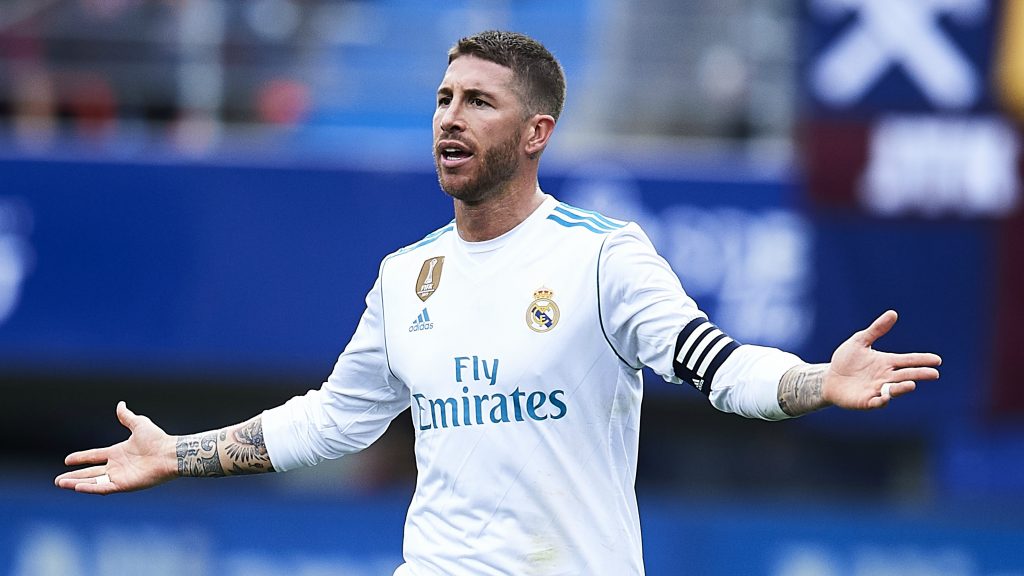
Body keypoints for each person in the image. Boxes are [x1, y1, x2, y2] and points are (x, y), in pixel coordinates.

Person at [55, 30, 942, 575]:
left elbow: (719, 368)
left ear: (535, 133)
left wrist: (816, 381)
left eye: (479, 102)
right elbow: (331, 421)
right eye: (444, 99)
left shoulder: (603, 256)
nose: (450, 117)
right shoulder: (405, 276)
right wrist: (178, 454)